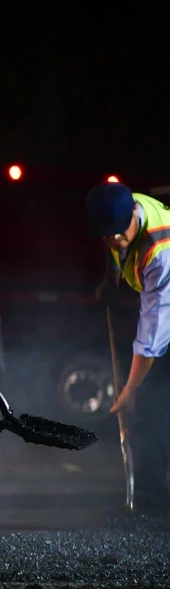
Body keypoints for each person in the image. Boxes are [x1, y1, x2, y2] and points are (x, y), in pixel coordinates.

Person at [90, 182, 170, 515]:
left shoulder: (160, 251)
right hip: (161, 306)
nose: (113, 240)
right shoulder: (119, 211)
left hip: (166, 303)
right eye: (106, 235)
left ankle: (152, 498)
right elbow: (114, 248)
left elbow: (151, 335)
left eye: (119, 233)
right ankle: (150, 492)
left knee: (151, 399)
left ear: (132, 216)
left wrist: (130, 390)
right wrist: (111, 280)